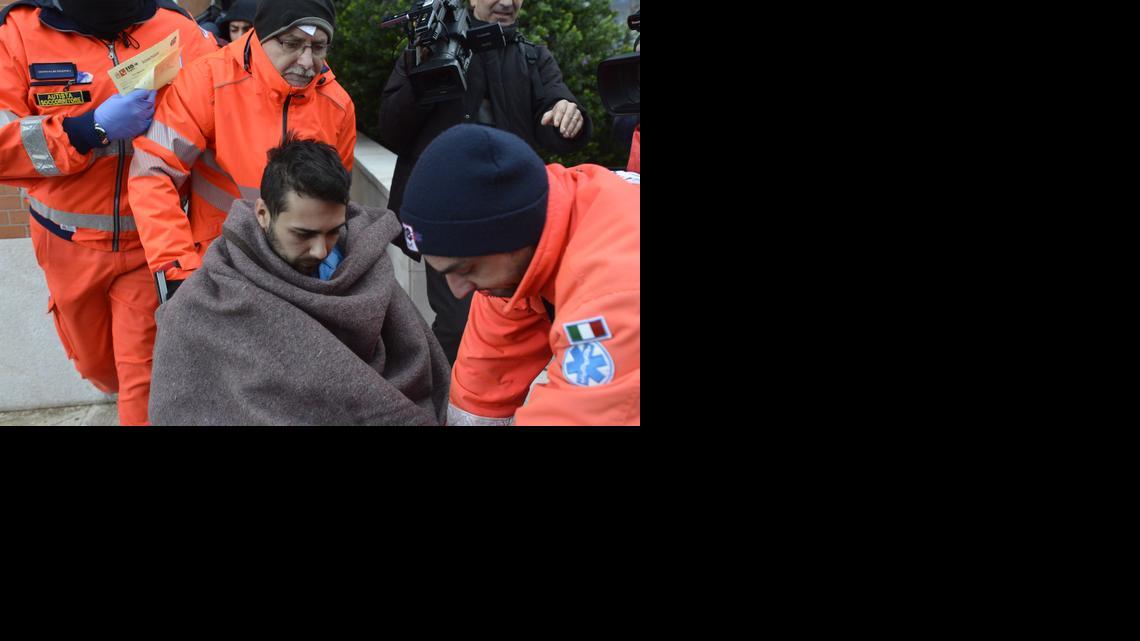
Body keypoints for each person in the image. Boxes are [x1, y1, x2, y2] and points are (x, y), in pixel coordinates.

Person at [0, 0, 217, 426]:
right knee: (98, 367)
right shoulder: (19, 32)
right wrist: (88, 129)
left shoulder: (177, 28)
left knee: (144, 380)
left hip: (148, 243)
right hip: (67, 243)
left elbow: (226, 110)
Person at [149, 137, 450, 426]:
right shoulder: (201, 304)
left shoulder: (368, 272)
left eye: (333, 231)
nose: (320, 250)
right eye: (303, 234)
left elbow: (421, 370)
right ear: (263, 214)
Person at [379, 0, 592, 365]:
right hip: (447, 218)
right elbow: (391, 129)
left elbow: (557, 122)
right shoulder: (430, 48)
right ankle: (448, 405)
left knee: (522, 324)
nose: (507, 2)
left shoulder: (532, 56)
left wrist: (567, 115)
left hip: (514, 222)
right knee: (459, 324)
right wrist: (425, 70)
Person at [400, 125, 639, 426]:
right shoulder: (512, 262)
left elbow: (578, 415)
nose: (459, 290)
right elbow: (482, 387)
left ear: (513, 236)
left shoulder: (615, 287)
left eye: (466, 269)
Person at [129, 0, 356, 304]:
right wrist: (178, 269)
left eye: (318, 47)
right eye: (292, 43)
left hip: (304, 272)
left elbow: (336, 202)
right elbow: (153, 173)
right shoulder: (207, 82)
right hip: (220, 265)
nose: (305, 61)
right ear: (262, 35)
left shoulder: (338, 106)